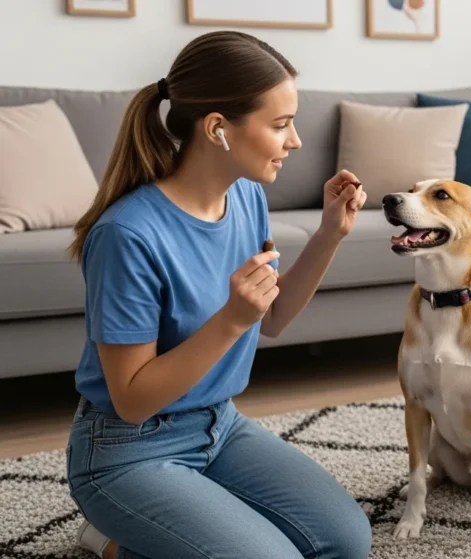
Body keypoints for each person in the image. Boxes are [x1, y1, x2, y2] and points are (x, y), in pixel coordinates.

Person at [64, 31, 372, 559]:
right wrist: (230, 320)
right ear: (218, 130)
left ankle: (145, 542)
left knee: (346, 542)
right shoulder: (127, 236)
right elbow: (133, 401)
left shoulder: (246, 196)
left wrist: (329, 235)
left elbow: (271, 319)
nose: (295, 141)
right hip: (127, 451)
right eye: (280, 125)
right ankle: (113, 538)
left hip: (219, 426)